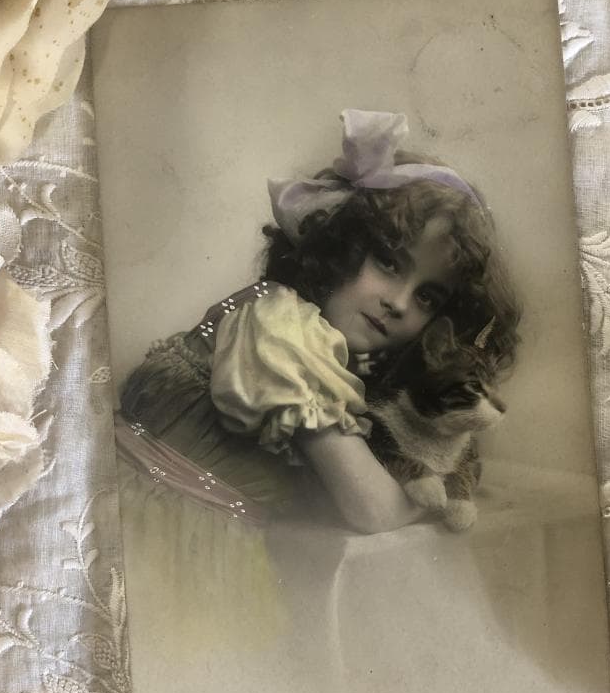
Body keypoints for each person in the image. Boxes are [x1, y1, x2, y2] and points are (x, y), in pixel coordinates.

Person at [117, 109, 519, 535]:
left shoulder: (324, 350)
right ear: (340, 248)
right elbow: (376, 510)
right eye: (388, 263)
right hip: (159, 535)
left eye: (427, 297)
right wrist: (449, 493)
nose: (399, 303)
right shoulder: (281, 329)